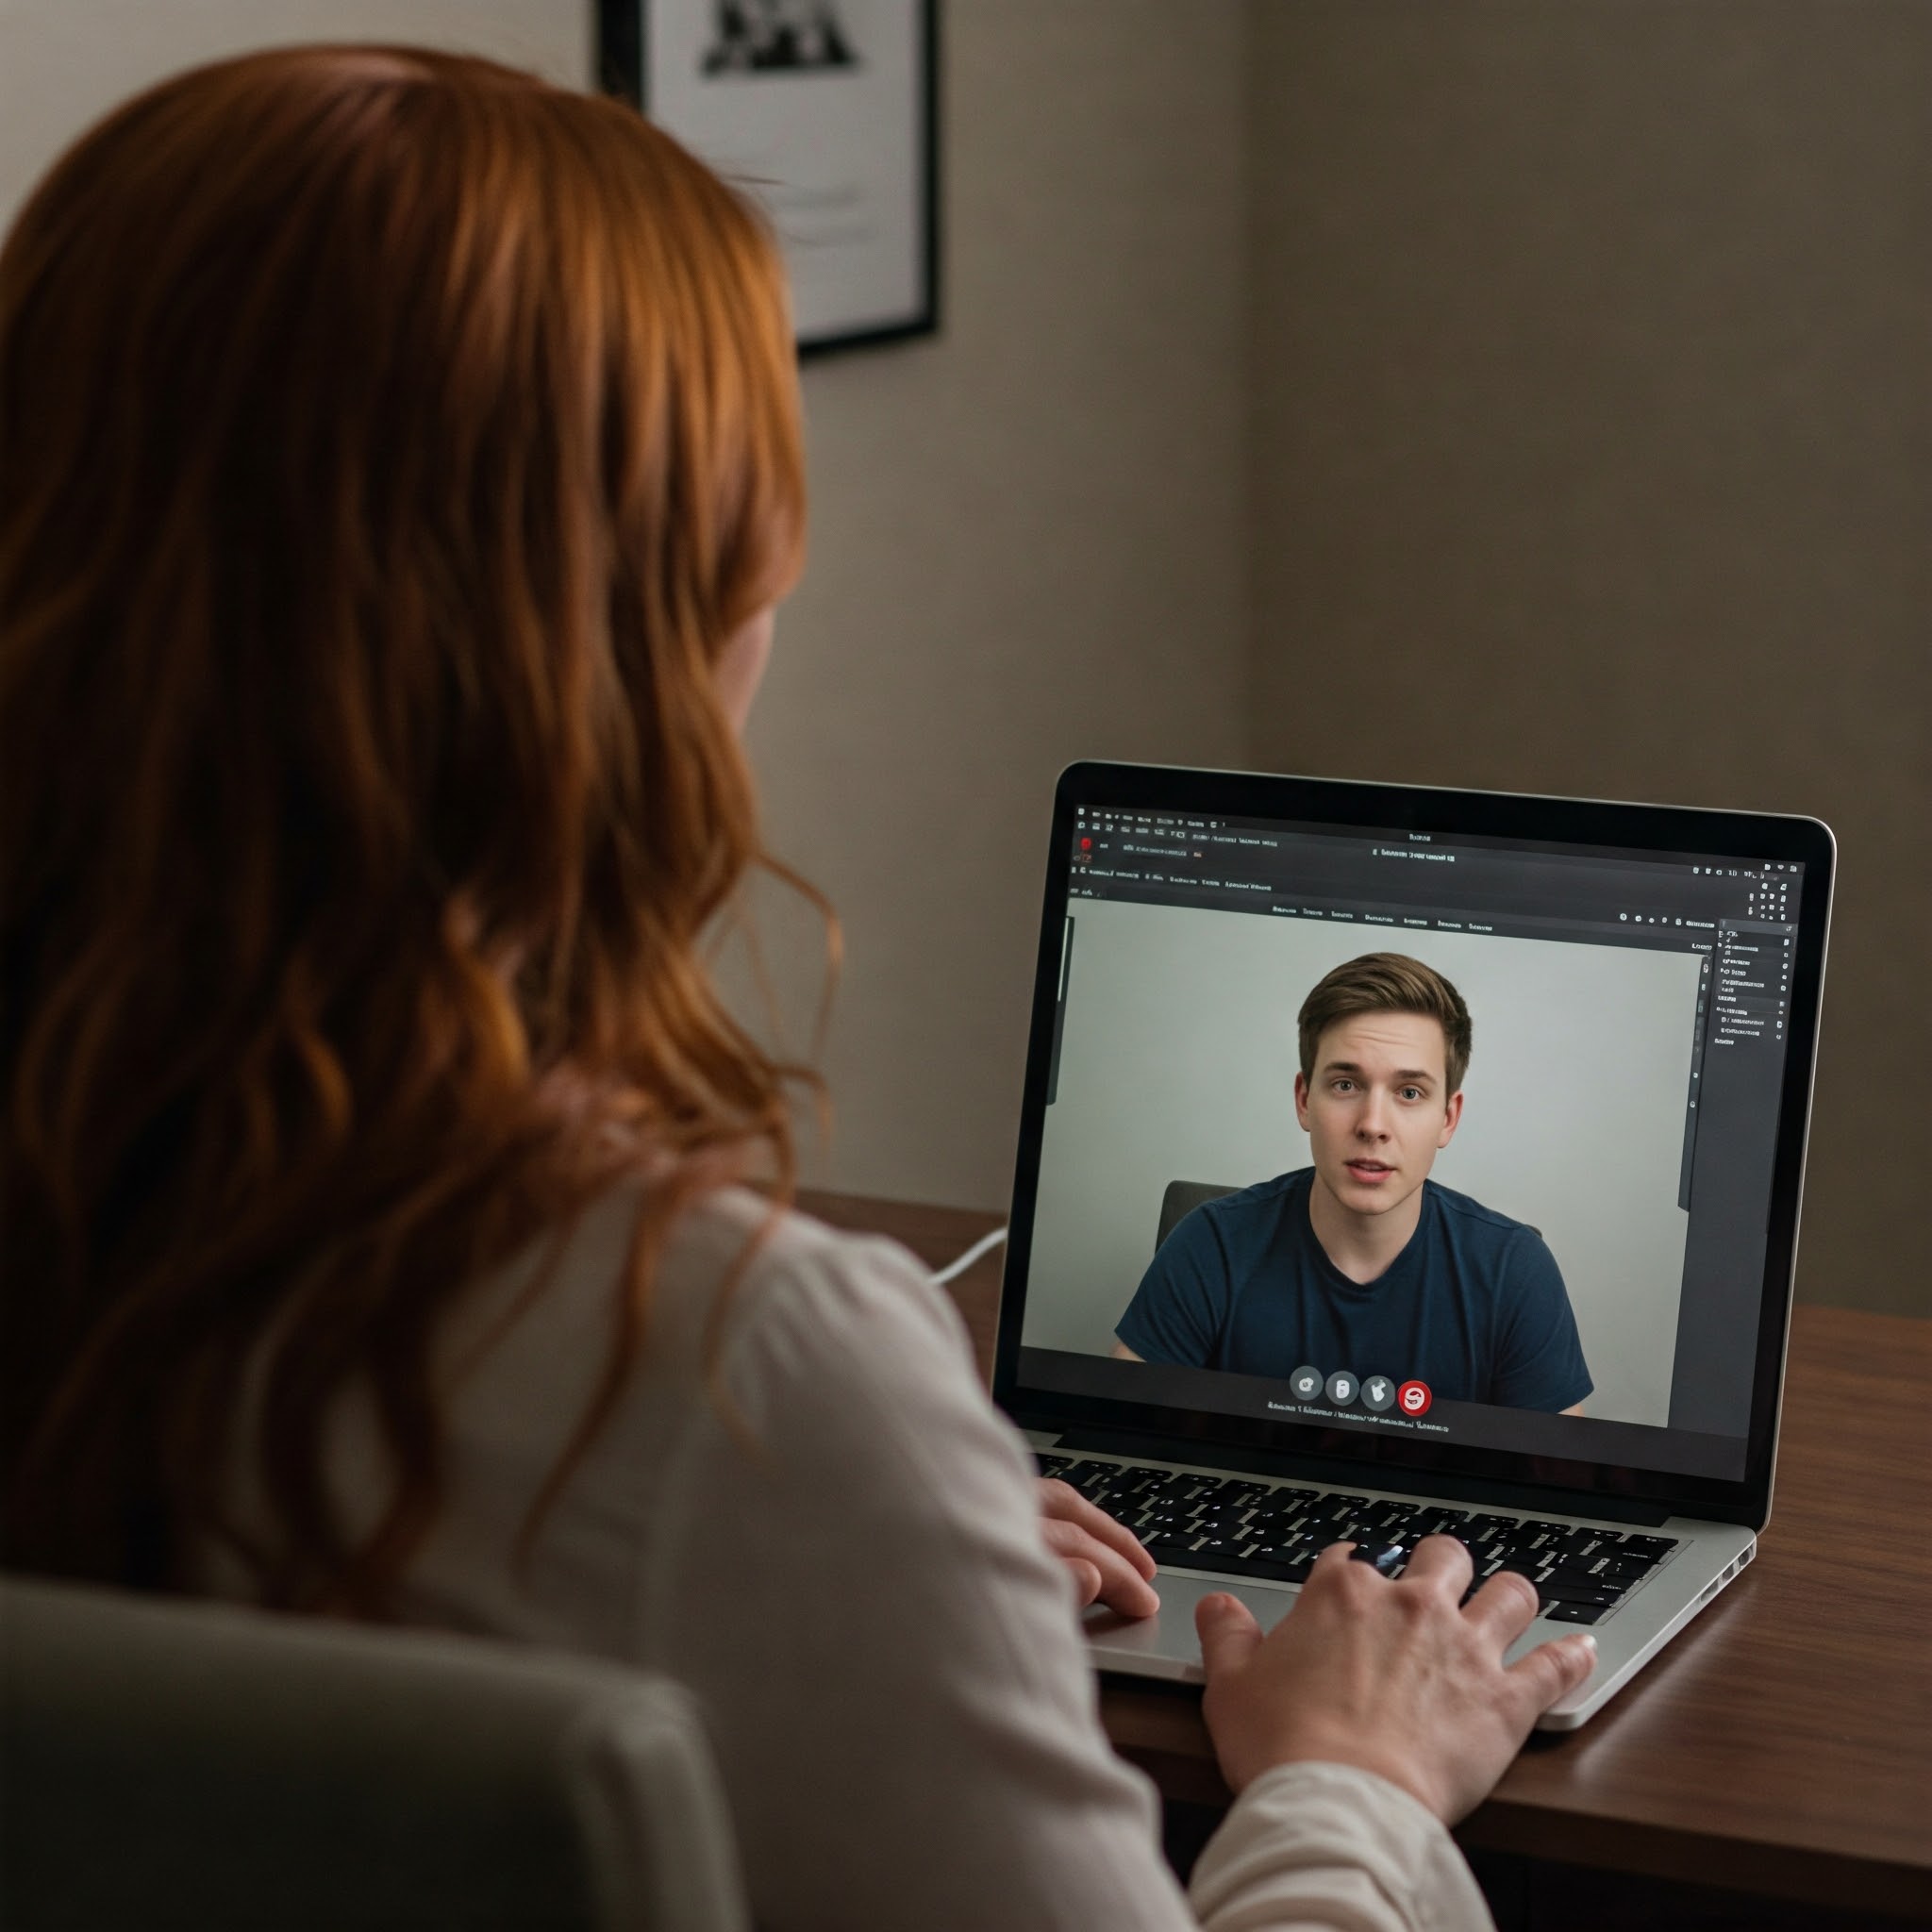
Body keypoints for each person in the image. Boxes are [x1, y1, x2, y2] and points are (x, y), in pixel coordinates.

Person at [0, 49, 1595, 1932]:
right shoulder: (738, 1384)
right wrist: (1356, 1779)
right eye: (751, 540)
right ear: (632, 644)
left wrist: (876, 1569)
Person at [1116, 954, 1592, 1414]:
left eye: (1409, 1093)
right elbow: (1120, 1442)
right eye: (1346, 1084)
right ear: (1304, 1100)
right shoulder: (1210, 1244)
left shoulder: (1516, 1272)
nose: (1372, 1124)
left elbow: (1553, 1484)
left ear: (1448, 1118)